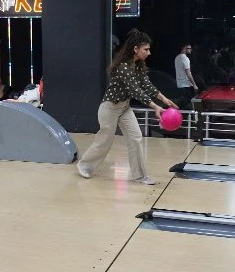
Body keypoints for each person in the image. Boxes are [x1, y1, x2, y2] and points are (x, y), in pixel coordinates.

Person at [76, 29, 178, 185]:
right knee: (104, 141)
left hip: (124, 109)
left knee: (136, 138)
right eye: (146, 49)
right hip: (110, 108)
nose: (149, 53)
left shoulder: (139, 66)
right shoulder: (123, 67)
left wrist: (164, 99)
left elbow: (146, 85)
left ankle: (139, 176)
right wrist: (155, 107)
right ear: (135, 49)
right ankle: (84, 165)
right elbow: (135, 90)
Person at [174, 43, 197, 108]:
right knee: (188, 103)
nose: (191, 50)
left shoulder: (177, 57)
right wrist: (194, 85)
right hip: (186, 84)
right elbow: (188, 73)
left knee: (183, 103)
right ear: (184, 48)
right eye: (189, 48)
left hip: (179, 84)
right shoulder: (185, 58)